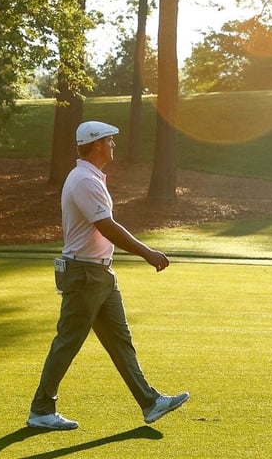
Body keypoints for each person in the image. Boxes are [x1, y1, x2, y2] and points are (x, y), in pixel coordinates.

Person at [26, 120, 190, 431]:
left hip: (99, 273)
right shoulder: (84, 180)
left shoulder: (89, 177)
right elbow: (107, 226)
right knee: (68, 342)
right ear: (98, 143)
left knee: (120, 341)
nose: (114, 145)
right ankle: (41, 409)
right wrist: (147, 253)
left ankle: (150, 402)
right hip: (85, 273)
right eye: (110, 141)